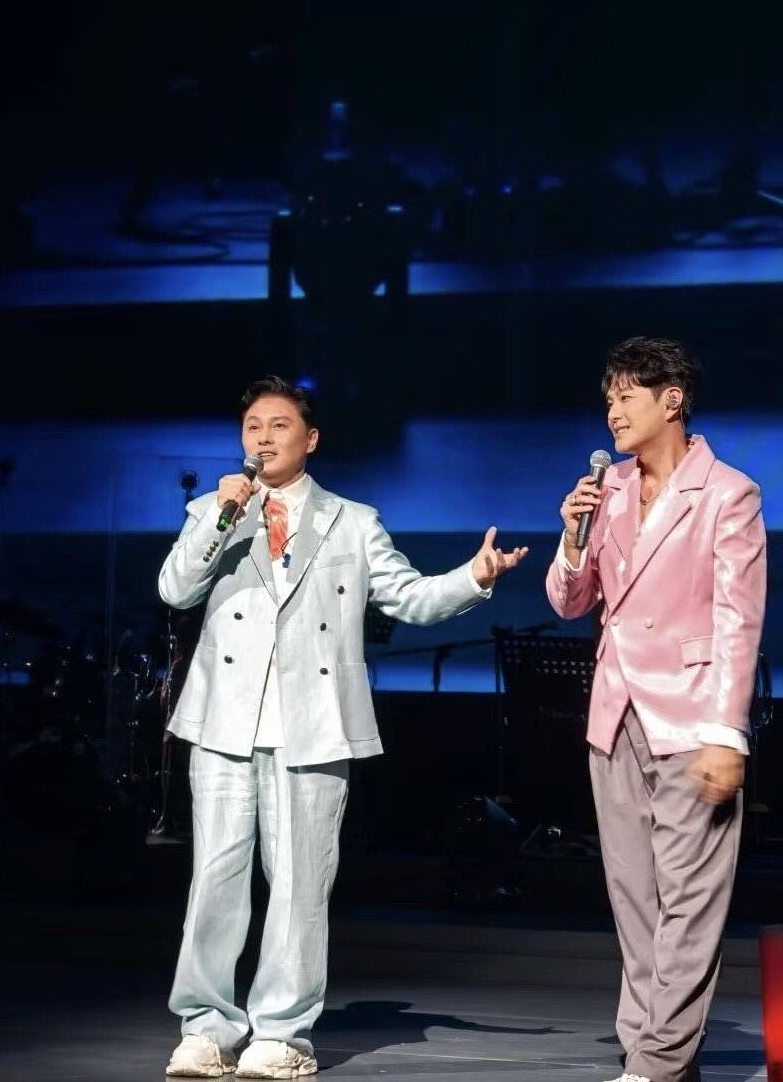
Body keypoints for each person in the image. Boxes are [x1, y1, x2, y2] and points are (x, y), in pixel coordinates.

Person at [160, 376, 528, 1080]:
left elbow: (409, 596)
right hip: (224, 720)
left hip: (312, 722)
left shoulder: (352, 521)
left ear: (311, 438)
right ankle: (205, 1027)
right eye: (252, 427)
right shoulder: (212, 510)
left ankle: (281, 1033)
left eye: (278, 425)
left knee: (300, 885)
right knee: (214, 880)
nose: (263, 437)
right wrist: (220, 520)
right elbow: (175, 590)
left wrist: (475, 576)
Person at [546, 337, 765, 1082]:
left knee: (689, 902)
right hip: (615, 713)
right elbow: (570, 601)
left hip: (692, 716)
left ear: (672, 399)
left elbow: (738, 620)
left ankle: (656, 1064)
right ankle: (651, 1050)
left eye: (626, 395)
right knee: (634, 899)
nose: (613, 411)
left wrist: (727, 733)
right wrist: (571, 539)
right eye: (607, 398)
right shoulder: (605, 489)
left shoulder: (728, 493)